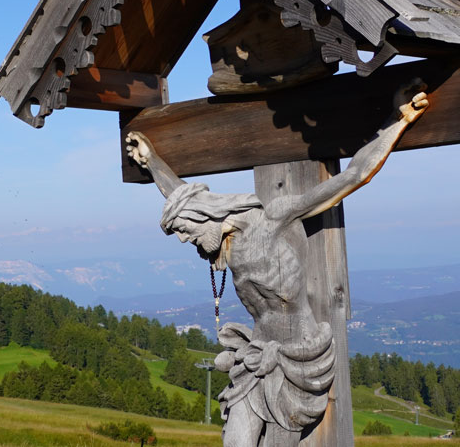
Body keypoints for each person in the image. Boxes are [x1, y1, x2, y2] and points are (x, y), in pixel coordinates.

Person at [124, 90, 429, 447]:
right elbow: (179, 194)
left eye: (185, 231)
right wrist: (152, 161)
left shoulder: (273, 219)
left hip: (298, 360)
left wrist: (398, 121)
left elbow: (353, 177)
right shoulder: (226, 243)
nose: (183, 240)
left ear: (207, 217)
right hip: (255, 358)